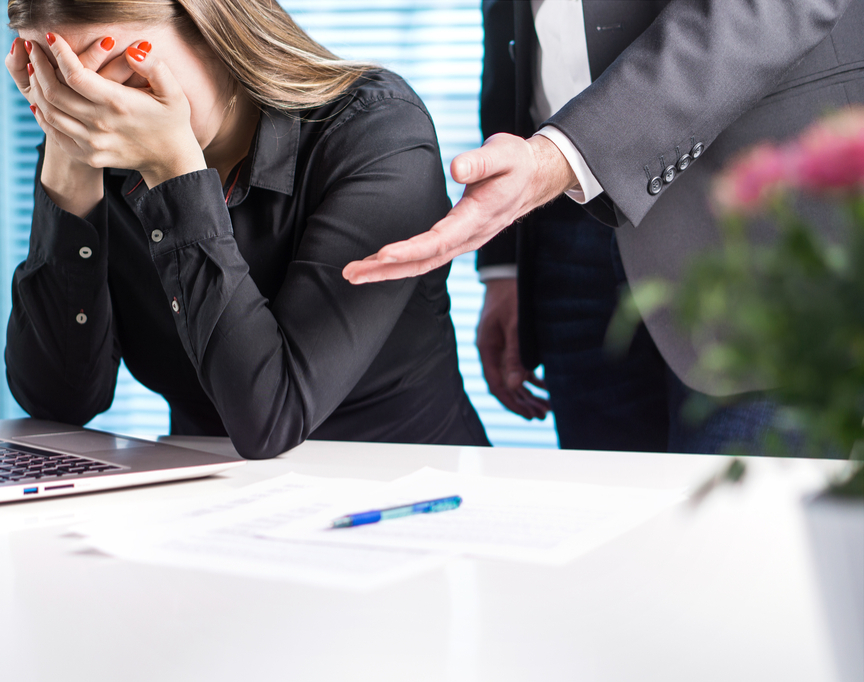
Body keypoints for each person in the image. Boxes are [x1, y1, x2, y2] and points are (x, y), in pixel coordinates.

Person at [344, 0, 864, 454]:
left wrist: (562, 157)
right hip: (562, 223)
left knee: (740, 551)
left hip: (752, 213)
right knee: (610, 543)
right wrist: (504, 265)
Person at [2, 0, 490, 460]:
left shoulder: (377, 131)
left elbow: (270, 419)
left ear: (214, 28)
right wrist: (66, 162)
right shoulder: (96, 151)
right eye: (62, 87)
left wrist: (175, 174)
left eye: (121, 77)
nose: (100, 113)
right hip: (211, 507)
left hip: (405, 495)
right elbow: (59, 405)